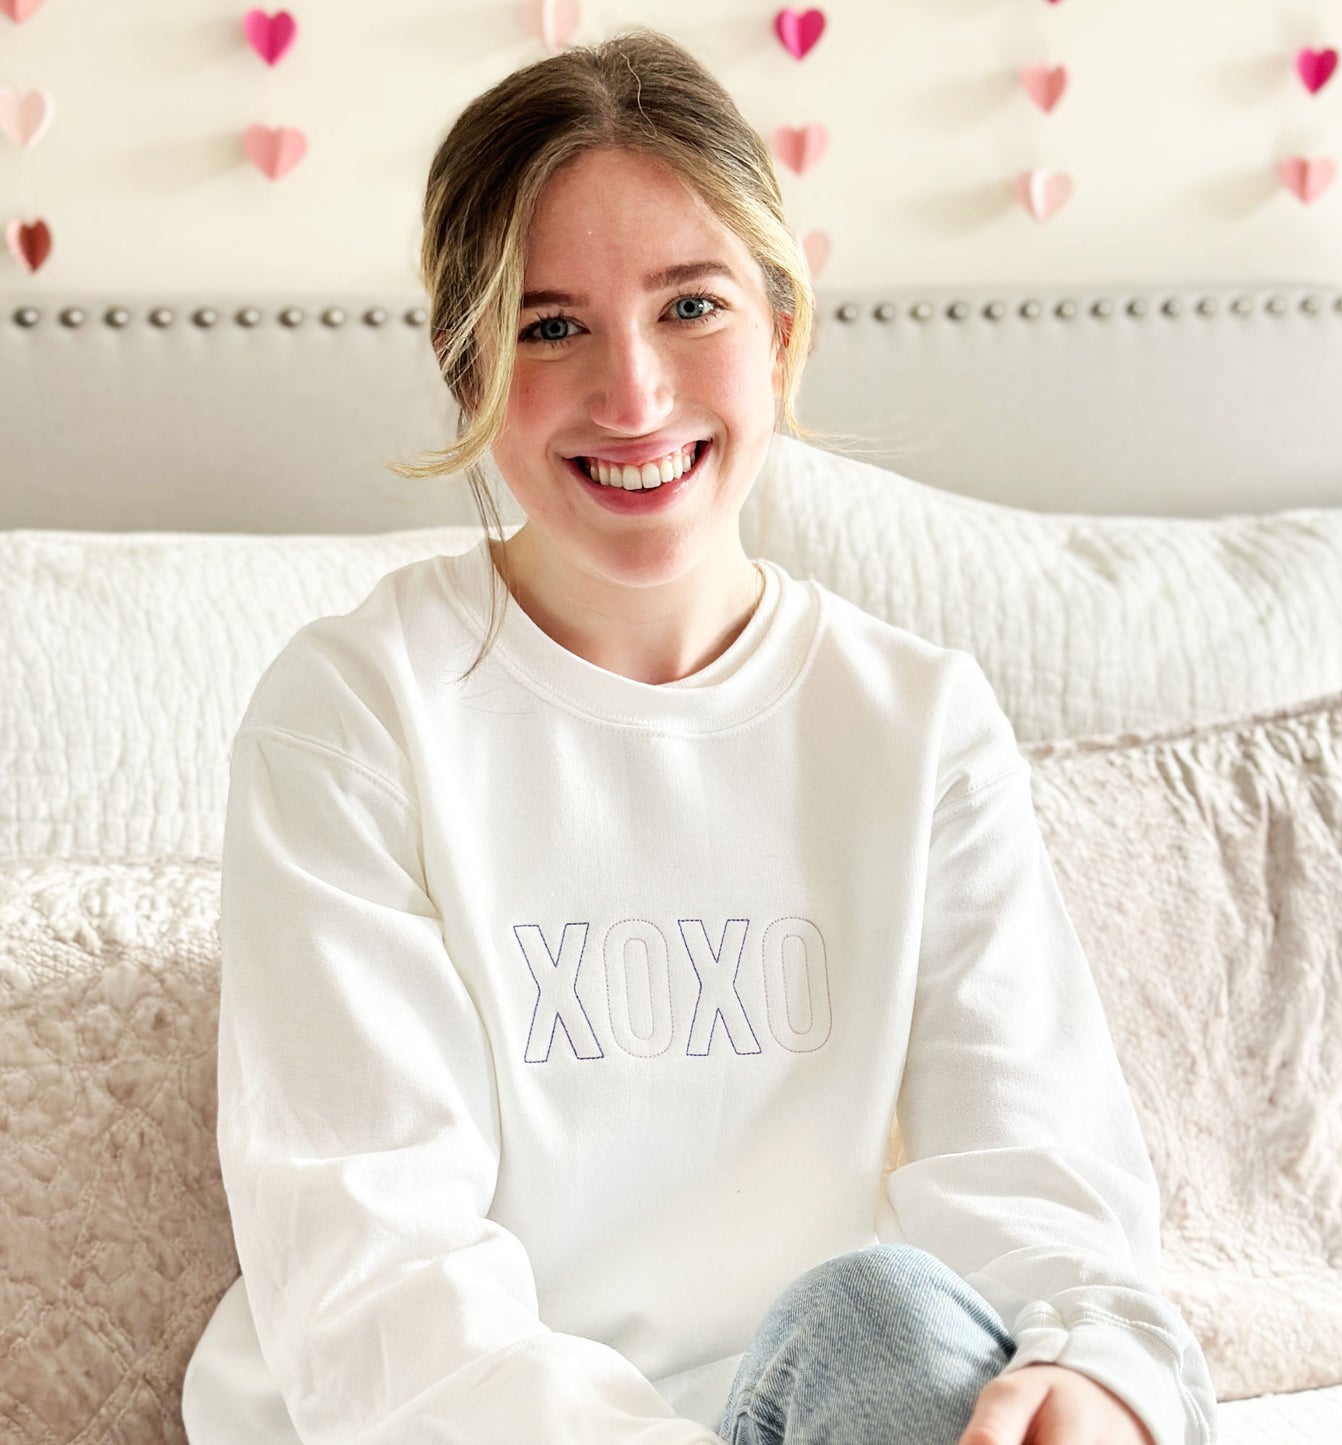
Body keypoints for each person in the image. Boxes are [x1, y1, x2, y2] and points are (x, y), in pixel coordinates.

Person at [181, 27, 1219, 1445]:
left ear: (782, 327)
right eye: (550, 326)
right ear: (463, 363)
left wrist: (1093, 1379)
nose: (633, 396)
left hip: (838, 1407)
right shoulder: (356, 716)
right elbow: (380, 1284)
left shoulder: (916, 725)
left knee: (896, 1330)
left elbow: (1038, 1178)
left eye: (690, 307)